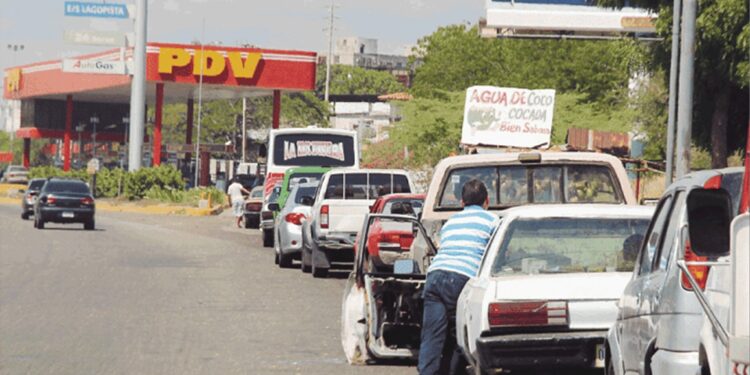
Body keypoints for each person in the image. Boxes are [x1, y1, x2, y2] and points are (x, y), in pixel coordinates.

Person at [418, 179, 500, 374]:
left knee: (432, 334)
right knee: (460, 335)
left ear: (462, 203)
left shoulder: (451, 222)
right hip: (463, 279)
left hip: (435, 276)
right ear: (486, 201)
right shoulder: (493, 221)